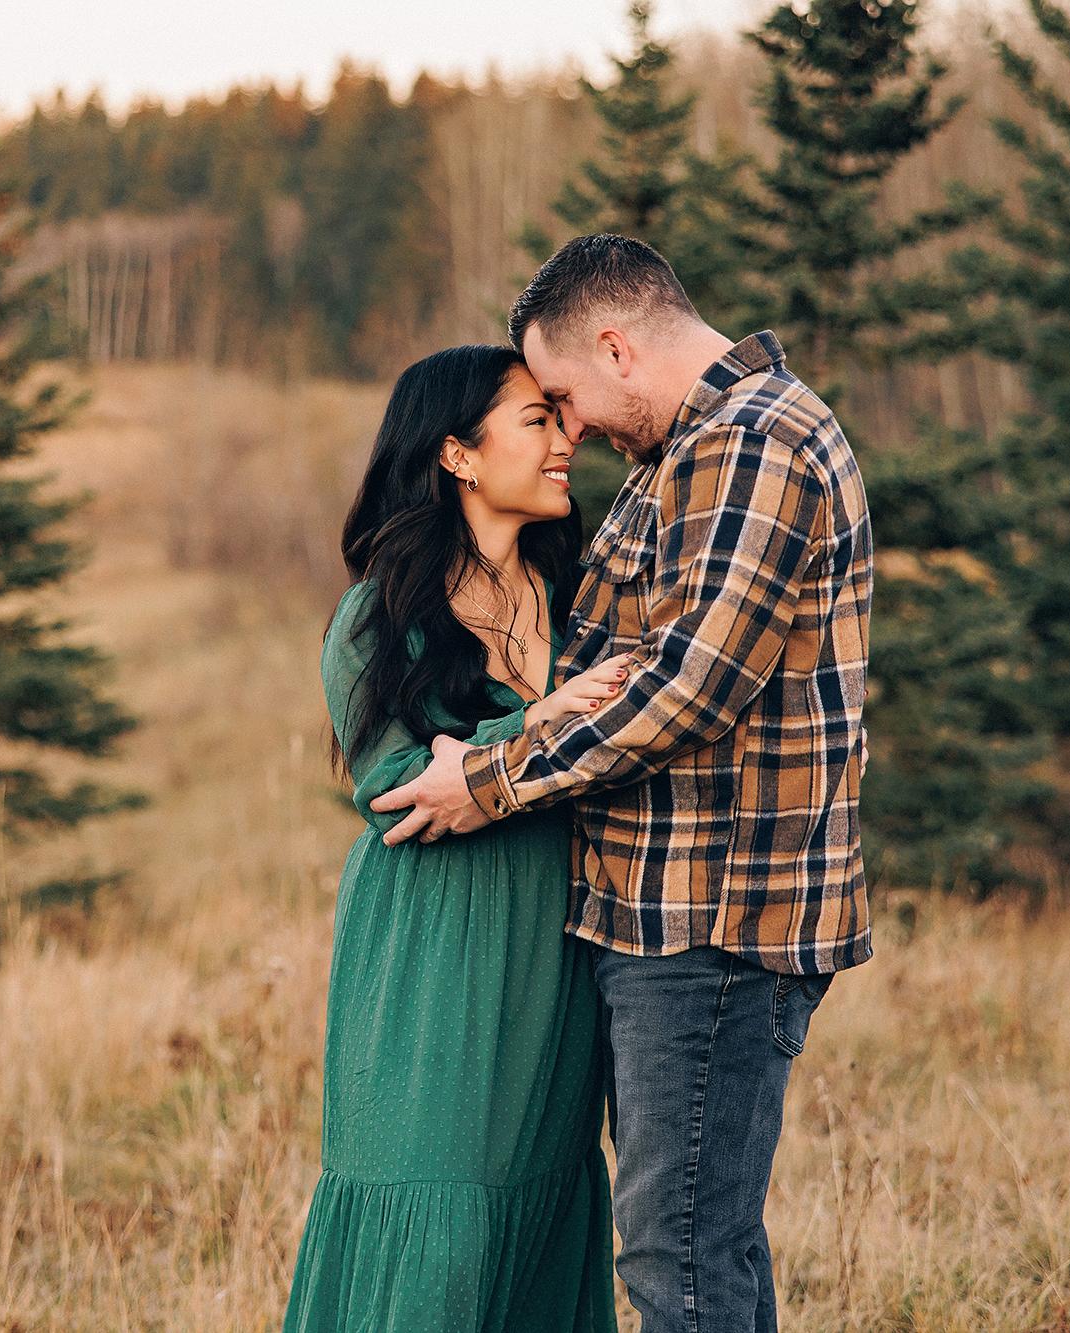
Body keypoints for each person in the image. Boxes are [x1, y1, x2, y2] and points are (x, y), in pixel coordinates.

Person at [373, 234, 874, 1333]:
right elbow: (606, 665)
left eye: (562, 394)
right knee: (697, 1244)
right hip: (660, 919)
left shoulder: (754, 447)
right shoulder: (680, 459)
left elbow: (687, 687)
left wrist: (491, 779)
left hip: (712, 923)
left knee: (676, 1258)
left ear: (614, 345)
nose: (571, 427)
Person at [284, 344, 632, 1332]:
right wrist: (535, 722)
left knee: (538, 1198)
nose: (566, 439)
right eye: (535, 419)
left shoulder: (580, 605)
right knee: (432, 1213)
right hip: (431, 951)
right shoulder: (375, 615)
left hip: (554, 951)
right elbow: (398, 792)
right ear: (458, 455)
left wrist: (534, 730)